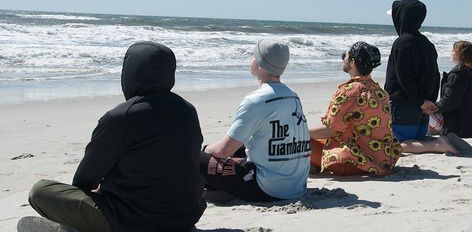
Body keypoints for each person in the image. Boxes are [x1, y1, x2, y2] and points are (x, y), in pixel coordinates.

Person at [21, 42, 206, 232]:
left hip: (131, 222)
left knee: (39, 192)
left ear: (130, 72)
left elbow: (84, 180)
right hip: (183, 218)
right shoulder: (187, 110)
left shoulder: (122, 117)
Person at [200, 39, 310, 202]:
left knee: (194, 157)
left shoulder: (256, 100)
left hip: (267, 189)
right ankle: (228, 190)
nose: (251, 58)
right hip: (296, 185)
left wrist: (204, 150)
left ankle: (230, 191)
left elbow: (224, 151)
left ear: (259, 65)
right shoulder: (292, 94)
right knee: (238, 149)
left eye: (254, 56)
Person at [384, 0, 468, 155]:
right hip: (422, 107)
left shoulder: (402, 43)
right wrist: (428, 102)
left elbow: (403, 78)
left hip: (405, 106)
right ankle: (446, 140)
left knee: (393, 145)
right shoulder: (427, 43)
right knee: (418, 138)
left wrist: (421, 101)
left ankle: (437, 144)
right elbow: (434, 76)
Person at [308, 42, 402, 176]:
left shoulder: (349, 91)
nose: (343, 60)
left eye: (344, 56)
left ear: (352, 62)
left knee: (295, 140)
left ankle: (310, 164)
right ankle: (311, 164)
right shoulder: (379, 91)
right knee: (316, 138)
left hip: (354, 162)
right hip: (382, 160)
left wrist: (297, 131)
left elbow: (329, 132)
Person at [426, 41, 472, 138]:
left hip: (465, 126)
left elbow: (448, 104)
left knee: (424, 113)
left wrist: (428, 106)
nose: (451, 53)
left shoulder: (458, 75)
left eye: (453, 51)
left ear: (460, 55)